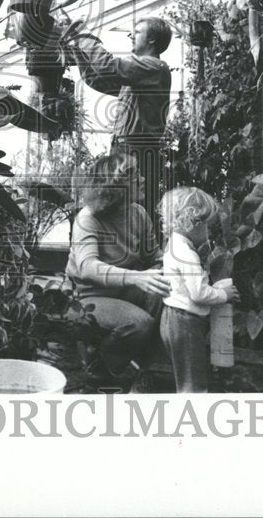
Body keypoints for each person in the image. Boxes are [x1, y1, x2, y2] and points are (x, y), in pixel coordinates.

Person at [67, 153, 171, 379]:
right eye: (135, 176)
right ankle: (99, 359)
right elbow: (88, 267)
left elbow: (154, 256)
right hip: (88, 300)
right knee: (140, 325)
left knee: (165, 290)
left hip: (124, 294)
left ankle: (142, 369)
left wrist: (168, 264)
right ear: (116, 185)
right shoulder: (87, 219)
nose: (143, 179)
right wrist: (136, 277)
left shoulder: (139, 214)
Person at [61, 17, 173, 221]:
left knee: (134, 210)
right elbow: (97, 79)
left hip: (137, 148)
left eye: (137, 31)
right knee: (118, 207)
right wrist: (77, 48)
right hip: (126, 147)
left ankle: (140, 249)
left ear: (152, 40)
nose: (131, 35)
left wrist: (84, 36)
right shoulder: (139, 74)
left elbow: (107, 66)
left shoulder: (154, 67)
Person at [158, 186, 240, 393]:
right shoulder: (186, 254)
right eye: (207, 227)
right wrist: (223, 295)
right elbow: (198, 293)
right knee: (193, 383)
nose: (210, 232)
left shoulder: (173, 245)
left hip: (172, 318)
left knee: (185, 375)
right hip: (185, 323)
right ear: (191, 223)